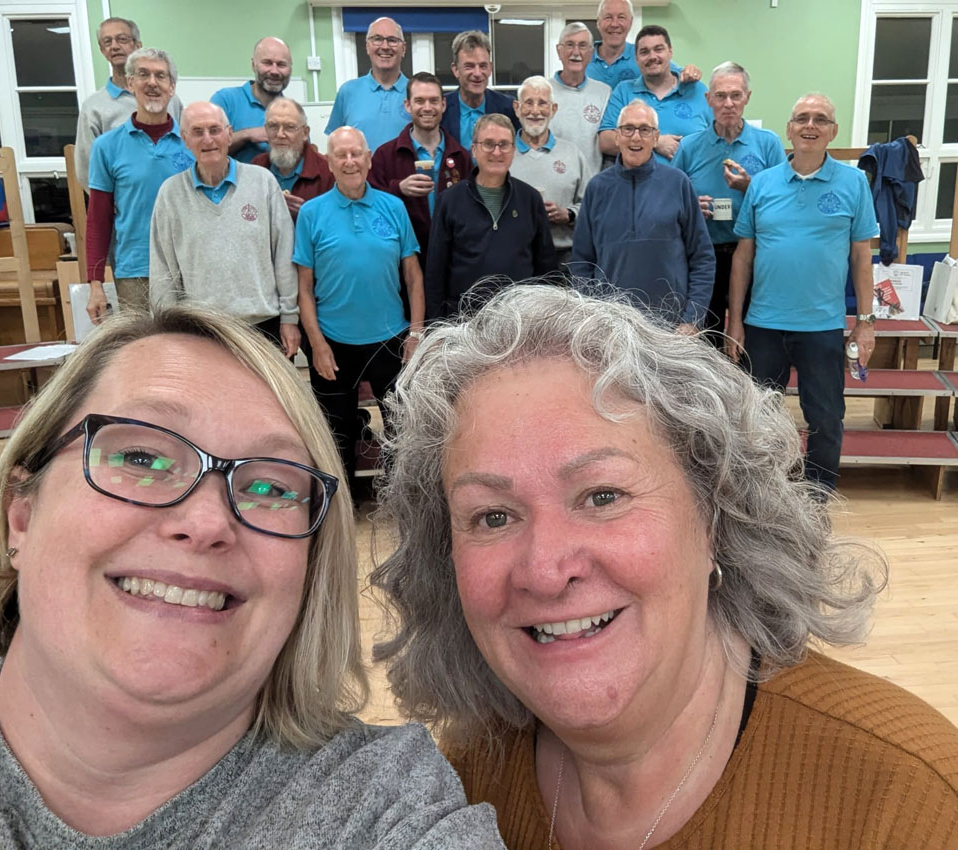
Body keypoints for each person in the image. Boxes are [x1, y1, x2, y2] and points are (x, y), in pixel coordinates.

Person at [372, 283, 958, 850]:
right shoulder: (463, 780)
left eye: (602, 496)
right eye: (493, 517)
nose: (546, 570)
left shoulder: (911, 802)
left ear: (712, 519)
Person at [0, 304, 507, 848]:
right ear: (21, 515)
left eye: (270, 487)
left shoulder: (385, 805)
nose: (205, 523)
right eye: (143, 458)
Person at [727, 93, 879, 493]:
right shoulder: (762, 185)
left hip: (822, 327)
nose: (810, 125)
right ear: (789, 130)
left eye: (820, 119)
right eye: (802, 118)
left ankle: (816, 500)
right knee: (756, 420)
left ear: (833, 131)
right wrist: (736, 321)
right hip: (763, 326)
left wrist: (865, 325)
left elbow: (862, 258)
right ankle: (761, 498)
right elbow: (744, 257)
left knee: (826, 419)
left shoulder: (854, 184)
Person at [293, 127, 425, 493]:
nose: (350, 162)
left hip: (390, 338)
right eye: (341, 155)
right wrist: (317, 344)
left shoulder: (393, 207)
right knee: (337, 431)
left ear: (368, 159)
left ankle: (400, 503)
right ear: (330, 162)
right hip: (334, 343)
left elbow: (413, 276)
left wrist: (415, 333)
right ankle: (342, 505)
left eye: (356, 154)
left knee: (401, 429)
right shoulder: (312, 214)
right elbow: (304, 288)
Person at [149, 102, 300, 357]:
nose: (208, 139)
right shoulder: (170, 194)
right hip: (201, 331)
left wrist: (289, 318)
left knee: (266, 398)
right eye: (197, 132)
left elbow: (284, 254)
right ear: (185, 139)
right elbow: (163, 270)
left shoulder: (262, 182)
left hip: (263, 326)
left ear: (229, 134)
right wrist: (168, 329)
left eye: (215, 130)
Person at [571, 100, 713, 332]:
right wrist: (592, 316)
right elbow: (581, 262)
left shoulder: (678, 184)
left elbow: (702, 258)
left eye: (644, 130)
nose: (635, 137)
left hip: (670, 329)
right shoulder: (597, 188)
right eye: (628, 129)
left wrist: (692, 319)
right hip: (611, 329)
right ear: (617, 137)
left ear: (655, 138)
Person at [673, 62, 785, 347]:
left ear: (747, 97)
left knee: (748, 338)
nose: (728, 104)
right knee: (705, 340)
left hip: (752, 255)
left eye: (736, 95)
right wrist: (689, 206)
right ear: (708, 99)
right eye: (721, 96)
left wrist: (751, 187)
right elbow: (670, 200)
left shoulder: (768, 144)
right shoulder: (689, 146)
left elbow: (786, 203)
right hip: (702, 256)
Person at [85, 47, 193, 322]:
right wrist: (95, 284)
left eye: (161, 76)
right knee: (142, 354)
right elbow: (98, 219)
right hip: (135, 271)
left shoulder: (193, 143)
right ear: (131, 83)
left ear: (172, 87)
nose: (152, 83)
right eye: (143, 74)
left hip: (190, 267)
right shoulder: (106, 147)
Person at [425, 114, 557, 321]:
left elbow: (547, 268)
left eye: (504, 145)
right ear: (474, 148)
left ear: (513, 150)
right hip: (464, 321)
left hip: (520, 321)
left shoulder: (530, 199)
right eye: (488, 144)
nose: (497, 152)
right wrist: (434, 326)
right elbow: (435, 270)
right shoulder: (449, 201)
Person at [369, 72, 472, 270]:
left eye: (434, 101)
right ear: (407, 105)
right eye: (420, 101)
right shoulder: (385, 155)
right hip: (400, 262)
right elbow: (369, 204)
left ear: (443, 105)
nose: (427, 108)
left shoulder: (461, 156)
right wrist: (398, 188)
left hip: (453, 261)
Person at [74, 17, 182, 191]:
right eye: (107, 42)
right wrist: (117, 204)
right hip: (126, 207)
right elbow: (86, 169)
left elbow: (186, 147)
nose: (114, 46)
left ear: (138, 45)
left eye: (122, 39)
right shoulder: (93, 107)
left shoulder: (170, 100)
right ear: (102, 50)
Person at [599, 25, 710, 165]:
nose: (652, 57)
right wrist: (655, 142)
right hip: (636, 184)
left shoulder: (697, 89)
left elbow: (719, 137)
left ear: (670, 51)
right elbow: (605, 141)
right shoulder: (624, 91)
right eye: (644, 52)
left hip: (691, 184)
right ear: (636, 58)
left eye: (658, 49)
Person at [510, 76, 591, 268]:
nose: (536, 111)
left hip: (564, 258)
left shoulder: (572, 153)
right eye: (528, 103)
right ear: (516, 108)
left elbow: (591, 205)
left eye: (542, 103)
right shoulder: (503, 154)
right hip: (515, 255)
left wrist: (569, 214)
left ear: (553, 109)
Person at [325, 17, 410, 151]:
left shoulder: (416, 93)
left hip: (406, 172)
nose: (385, 46)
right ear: (367, 47)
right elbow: (334, 145)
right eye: (377, 39)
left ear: (403, 49)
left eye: (392, 40)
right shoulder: (347, 92)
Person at [251, 97, 334, 223]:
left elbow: (335, 224)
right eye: (273, 126)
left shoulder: (327, 172)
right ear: (266, 130)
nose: (280, 134)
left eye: (289, 127)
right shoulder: (256, 168)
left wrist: (305, 214)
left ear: (305, 133)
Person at [211, 37, 292, 162]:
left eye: (281, 65)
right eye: (267, 63)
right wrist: (247, 135)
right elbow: (207, 147)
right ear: (253, 65)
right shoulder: (226, 100)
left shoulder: (293, 111)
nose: (274, 71)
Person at [586, 0, 698, 91]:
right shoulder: (583, 58)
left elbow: (679, 73)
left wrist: (690, 71)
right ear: (598, 22)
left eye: (621, 17)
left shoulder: (644, 56)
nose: (614, 24)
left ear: (630, 22)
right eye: (608, 17)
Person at [549, 22, 611, 177]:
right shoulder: (543, 92)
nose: (575, 52)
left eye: (582, 46)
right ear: (559, 51)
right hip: (554, 185)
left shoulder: (604, 93)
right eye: (569, 45)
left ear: (590, 53)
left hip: (593, 189)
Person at [441, 31, 519, 151]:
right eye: (469, 66)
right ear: (456, 69)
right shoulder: (441, 109)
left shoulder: (508, 109)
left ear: (490, 68)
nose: (477, 74)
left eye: (483, 66)